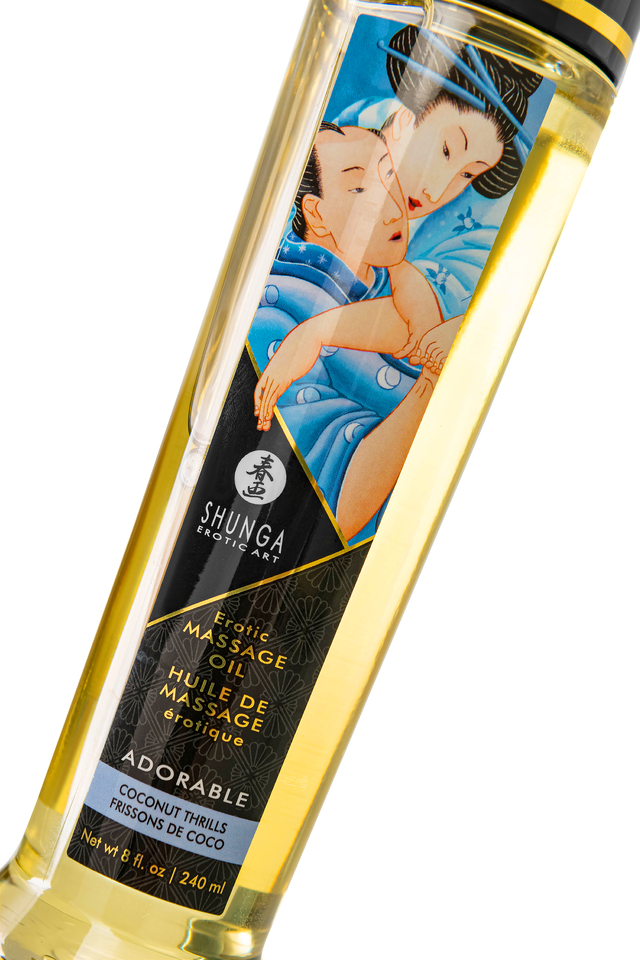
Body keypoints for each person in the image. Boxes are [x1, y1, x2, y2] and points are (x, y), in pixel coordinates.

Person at [248, 122, 450, 543]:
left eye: (390, 175)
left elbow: (417, 331)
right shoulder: (275, 311)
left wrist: (318, 332)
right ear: (316, 213)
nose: (393, 209)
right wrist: (433, 377)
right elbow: (337, 512)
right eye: (360, 189)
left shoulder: (389, 287)